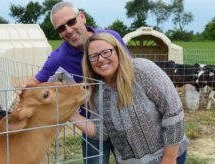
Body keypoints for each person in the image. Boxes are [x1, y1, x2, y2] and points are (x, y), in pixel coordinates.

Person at [24, 1, 128, 164]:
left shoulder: (112, 38)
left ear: (82, 17)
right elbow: (33, 84)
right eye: (61, 28)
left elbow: (131, 68)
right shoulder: (59, 58)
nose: (68, 30)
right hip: (92, 124)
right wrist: (24, 93)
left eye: (71, 22)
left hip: (124, 117)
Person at [69, 32, 189, 164]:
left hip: (168, 156)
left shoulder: (143, 70)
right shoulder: (96, 91)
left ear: (118, 52)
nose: (101, 59)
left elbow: (172, 111)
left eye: (106, 52)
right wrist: (70, 115)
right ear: (88, 62)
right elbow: (102, 132)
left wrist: (169, 158)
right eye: (94, 56)